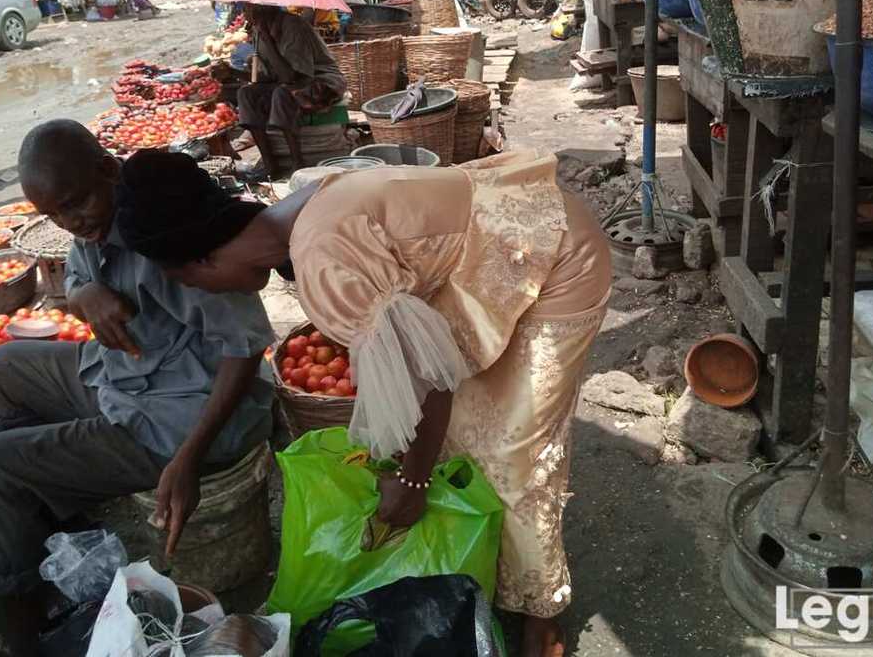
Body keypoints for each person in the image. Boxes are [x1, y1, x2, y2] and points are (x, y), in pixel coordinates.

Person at [115, 149, 614, 657]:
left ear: (202, 255)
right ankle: (504, 572)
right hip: (510, 244)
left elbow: (430, 375)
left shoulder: (321, 261)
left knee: (516, 454)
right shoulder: (301, 204)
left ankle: (544, 616)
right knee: (471, 433)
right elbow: (425, 357)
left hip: (555, 256)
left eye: (188, 282)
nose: (204, 292)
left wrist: (413, 483)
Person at [0, 120, 275, 651]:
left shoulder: (161, 222)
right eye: (54, 213)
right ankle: (49, 523)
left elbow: (244, 346)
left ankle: (20, 620)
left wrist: (190, 457)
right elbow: (79, 273)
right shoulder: (96, 222)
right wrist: (84, 297)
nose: (70, 221)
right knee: (6, 367)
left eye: (75, 203)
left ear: (108, 169)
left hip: (183, 414)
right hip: (126, 376)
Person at [234, 2, 347, 179]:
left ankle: (297, 161)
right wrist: (234, 72)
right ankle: (270, 163)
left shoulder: (293, 26)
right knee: (246, 94)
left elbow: (291, 77)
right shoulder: (258, 30)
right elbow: (267, 76)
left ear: (265, 8)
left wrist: (268, 41)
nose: (246, 13)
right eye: (245, 8)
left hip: (320, 80)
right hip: (286, 81)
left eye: (250, 8)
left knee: (283, 92)